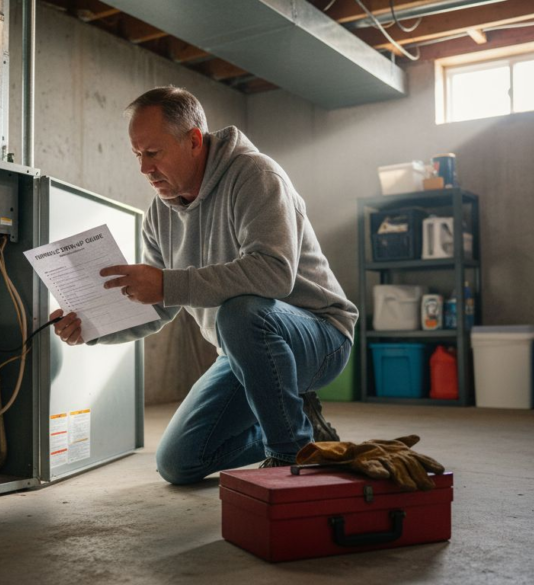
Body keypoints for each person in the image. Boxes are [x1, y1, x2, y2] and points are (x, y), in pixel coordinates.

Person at [49, 86, 358, 485]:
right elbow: (159, 304)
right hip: (242, 349)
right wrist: (91, 328)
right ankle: (307, 428)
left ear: (194, 140)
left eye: (153, 152)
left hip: (319, 337)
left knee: (240, 312)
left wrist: (168, 283)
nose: (144, 168)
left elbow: (273, 274)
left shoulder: (256, 176)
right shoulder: (159, 215)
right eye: (137, 154)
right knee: (178, 463)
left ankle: (289, 453)